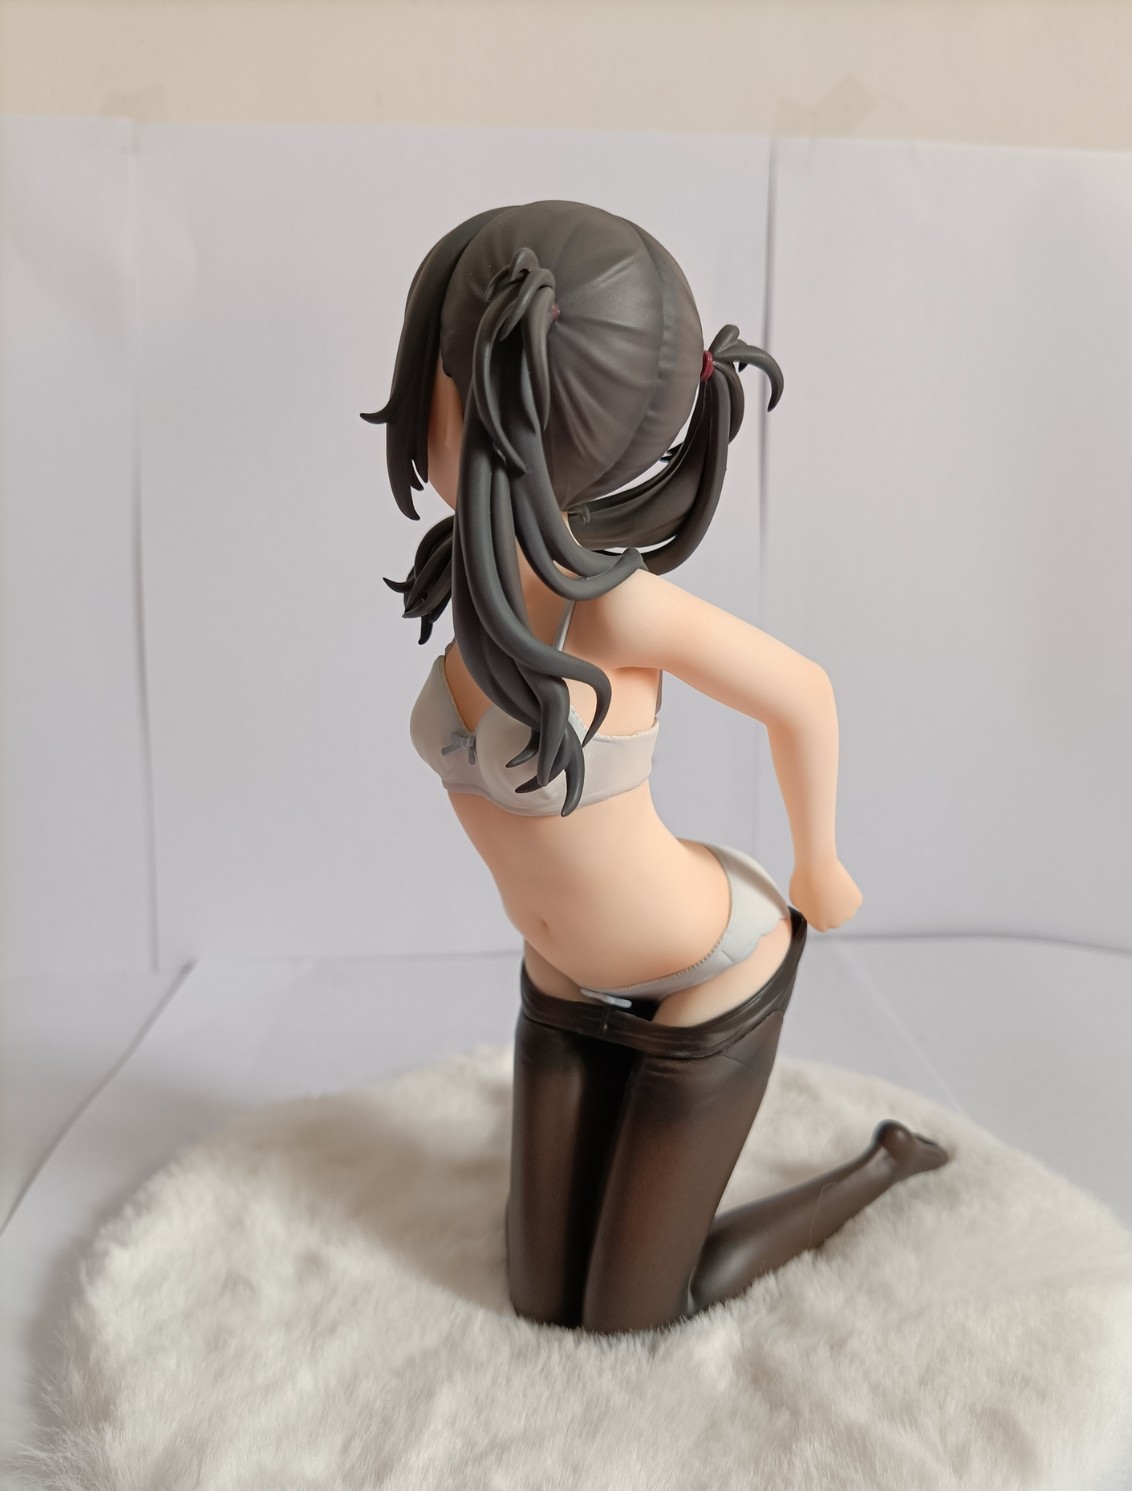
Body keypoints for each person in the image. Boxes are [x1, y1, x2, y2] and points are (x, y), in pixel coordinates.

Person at [363, 199, 949, 1335]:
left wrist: (818, 863)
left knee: (632, 1313)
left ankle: (882, 1165)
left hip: (708, 961)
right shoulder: (470, 576)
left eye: (433, 360)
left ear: (504, 400)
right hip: (562, 972)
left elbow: (803, 692)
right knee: (540, 1298)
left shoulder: (618, 610)